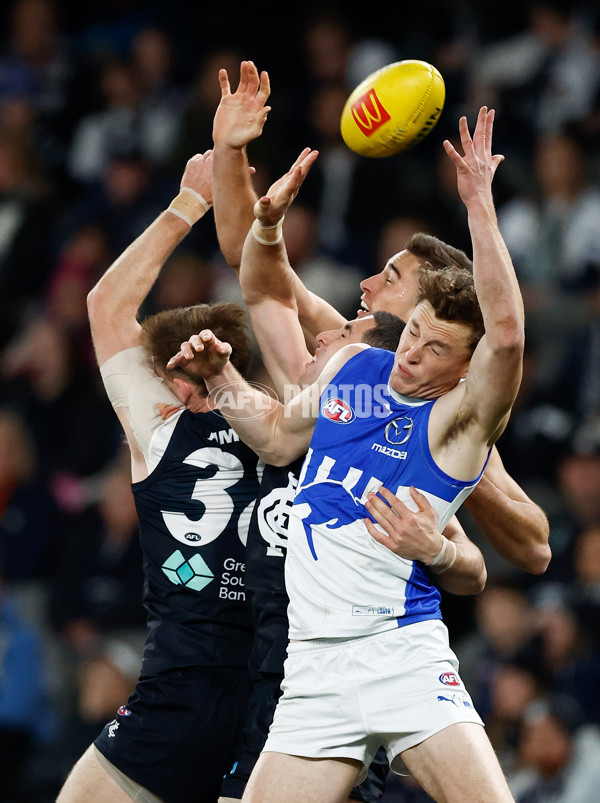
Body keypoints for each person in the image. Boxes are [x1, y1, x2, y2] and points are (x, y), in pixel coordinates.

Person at [169, 106, 524, 801]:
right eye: (413, 333)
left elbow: (507, 336)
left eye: (436, 351)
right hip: (313, 670)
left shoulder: (458, 423)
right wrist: (221, 379)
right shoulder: (352, 370)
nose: (412, 356)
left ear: (463, 372)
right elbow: (274, 436)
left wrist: (479, 204)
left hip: (402, 656)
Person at [56, 150, 261, 803]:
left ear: (177, 373)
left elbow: (106, 304)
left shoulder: (166, 426)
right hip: (272, 691)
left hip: (179, 687)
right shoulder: (286, 424)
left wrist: (189, 202)